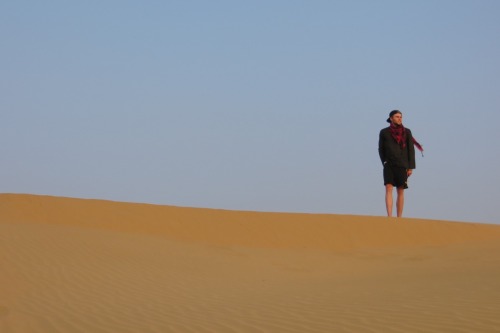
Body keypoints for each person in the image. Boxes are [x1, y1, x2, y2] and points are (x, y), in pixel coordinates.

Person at [378, 110, 423, 217]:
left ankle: (399, 218)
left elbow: (411, 150)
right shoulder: (384, 132)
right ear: (391, 118)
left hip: (403, 165)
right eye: (397, 116)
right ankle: (389, 216)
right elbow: (381, 148)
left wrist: (411, 167)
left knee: (400, 190)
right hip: (389, 164)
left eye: (401, 117)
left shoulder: (407, 132)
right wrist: (384, 162)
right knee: (388, 188)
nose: (399, 118)